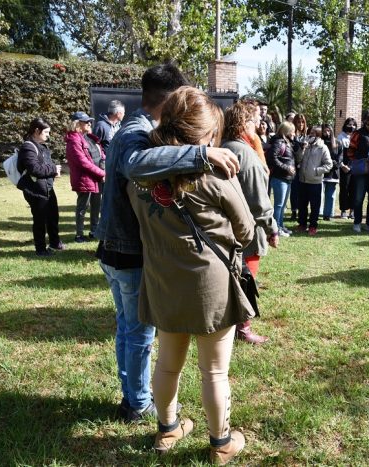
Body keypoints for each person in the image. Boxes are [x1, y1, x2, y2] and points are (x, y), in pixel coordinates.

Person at [95, 63, 240, 423]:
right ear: (169, 99)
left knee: (130, 330)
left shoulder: (137, 128)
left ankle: (137, 398)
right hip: (125, 250)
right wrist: (203, 154)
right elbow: (136, 166)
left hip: (118, 247)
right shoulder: (136, 135)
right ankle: (137, 403)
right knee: (138, 334)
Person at [127, 86, 251, 462]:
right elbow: (246, 230)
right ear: (204, 135)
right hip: (209, 284)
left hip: (163, 280)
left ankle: (167, 431)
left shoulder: (140, 178)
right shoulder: (216, 176)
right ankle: (221, 443)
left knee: (167, 363)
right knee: (214, 371)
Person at [222, 100, 279, 345]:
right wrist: (272, 228)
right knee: (247, 278)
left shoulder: (220, 146)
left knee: (229, 278)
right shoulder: (245, 153)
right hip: (246, 232)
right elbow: (259, 199)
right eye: (255, 120)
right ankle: (243, 328)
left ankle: (230, 322)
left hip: (222, 229)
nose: (259, 125)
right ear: (244, 124)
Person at [17, 117, 64, 256]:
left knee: (53, 216)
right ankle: (41, 249)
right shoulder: (27, 147)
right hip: (35, 190)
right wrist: (54, 169)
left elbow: (44, 166)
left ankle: (55, 243)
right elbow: (35, 169)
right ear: (37, 131)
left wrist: (52, 171)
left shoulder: (42, 146)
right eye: (46, 132)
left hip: (47, 188)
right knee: (40, 220)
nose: (48, 136)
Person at [65, 111, 106, 242]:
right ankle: (79, 234)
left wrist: (104, 167)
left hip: (96, 177)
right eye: (86, 121)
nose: (90, 123)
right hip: (85, 178)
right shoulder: (73, 140)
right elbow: (83, 162)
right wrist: (102, 173)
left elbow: (101, 154)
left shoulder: (88, 137)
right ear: (77, 124)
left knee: (96, 206)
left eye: (90, 121)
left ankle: (94, 231)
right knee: (83, 207)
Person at [296, 126, 332, 235]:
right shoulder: (304, 145)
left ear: (318, 135)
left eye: (313, 133)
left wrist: (316, 171)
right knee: (302, 205)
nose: (310, 135)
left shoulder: (323, 148)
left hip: (315, 182)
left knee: (314, 206)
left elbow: (329, 164)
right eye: (310, 133)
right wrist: (302, 149)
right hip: (302, 180)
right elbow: (298, 159)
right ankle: (302, 224)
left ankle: (313, 226)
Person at [267, 122, 296, 237]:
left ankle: (281, 225)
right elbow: (272, 159)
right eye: (292, 131)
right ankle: (276, 228)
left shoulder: (288, 142)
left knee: (283, 205)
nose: (294, 133)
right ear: (286, 131)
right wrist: (286, 167)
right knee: (278, 205)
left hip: (287, 178)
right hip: (280, 177)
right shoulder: (279, 142)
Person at [337, 117, 357, 219]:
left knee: (354, 188)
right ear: (345, 125)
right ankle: (343, 210)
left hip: (355, 165)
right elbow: (338, 154)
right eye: (349, 125)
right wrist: (342, 166)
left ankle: (352, 210)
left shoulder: (357, 137)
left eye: (353, 125)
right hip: (344, 165)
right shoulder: (340, 137)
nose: (352, 127)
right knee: (344, 188)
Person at [289, 113, 308, 221]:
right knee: (294, 190)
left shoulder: (307, 136)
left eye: (302, 122)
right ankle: (294, 211)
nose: (300, 124)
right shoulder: (292, 136)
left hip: (305, 166)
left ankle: (302, 210)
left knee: (303, 190)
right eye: (298, 122)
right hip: (294, 165)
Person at [321, 123, 341, 221]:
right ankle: (318, 212)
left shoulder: (337, 143)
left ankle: (327, 214)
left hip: (332, 172)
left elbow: (340, 158)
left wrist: (334, 163)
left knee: (330, 195)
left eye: (328, 131)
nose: (327, 133)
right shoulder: (319, 142)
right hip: (320, 172)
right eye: (324, 131)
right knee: (319, 195)